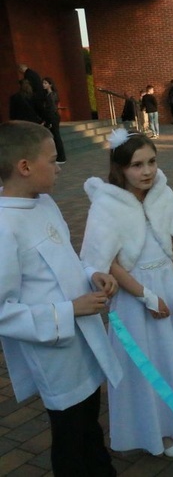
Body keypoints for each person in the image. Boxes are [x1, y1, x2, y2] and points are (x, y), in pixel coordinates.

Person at [80, 130, 173, 458]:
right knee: (149, 363)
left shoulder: (162, 194)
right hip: (135, 295)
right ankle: (160, 431)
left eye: (152, 162)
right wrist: (144, 296)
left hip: (169, 286)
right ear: (120, 168)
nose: (147, 171)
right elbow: (107, 261)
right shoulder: (107, 203)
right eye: (137, 165)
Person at [0, 121, 123, 475]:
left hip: (82, 336)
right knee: (70, 435)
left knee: (89, 422)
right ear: (24, 167)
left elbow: (66, 260)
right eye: (53, 160)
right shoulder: (5, 226)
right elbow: (3, 311)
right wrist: (68, 311)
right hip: (54, 349)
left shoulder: (45, 203)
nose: (58, 167)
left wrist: (91, 274)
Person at [41, 77, 66, 163]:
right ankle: (59, 157)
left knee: (56, 137)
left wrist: (50, 121)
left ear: (50, 84)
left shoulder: (52, 95)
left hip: (53, 117)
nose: (43, 85)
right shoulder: (48, 95)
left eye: (45, 83)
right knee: (55, 137)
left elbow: (52, 108)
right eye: (43, 83)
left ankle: (61, 157)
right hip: (52, 117)